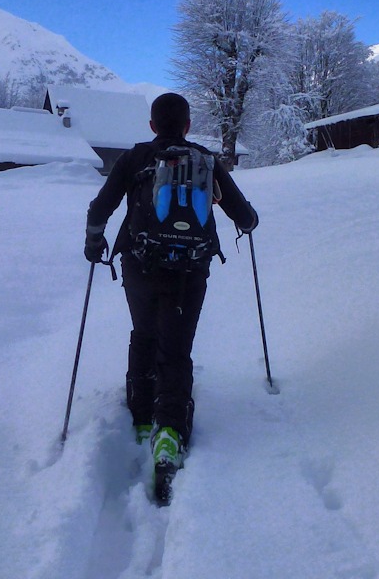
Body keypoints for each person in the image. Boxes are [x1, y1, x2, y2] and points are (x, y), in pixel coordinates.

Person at [84, 92, 258, 473]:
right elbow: (243, 215)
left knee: (144, 332)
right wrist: (248, 224)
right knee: (176, 346)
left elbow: (100, 209)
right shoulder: (206, 160)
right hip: (190, 269)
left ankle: (143, 413)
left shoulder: (134, 158)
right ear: (188, 125)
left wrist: (94, 242)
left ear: (151, 126)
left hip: (139, 263)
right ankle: (170, 431)